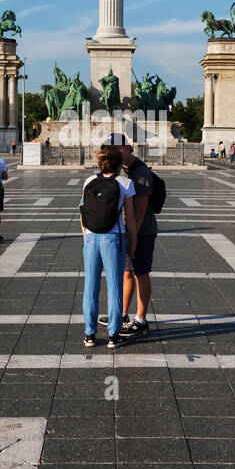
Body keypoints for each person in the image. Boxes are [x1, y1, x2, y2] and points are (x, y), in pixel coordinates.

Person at [80, 144, 136, 349]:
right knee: (114, 287)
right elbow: (129, 218)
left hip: (92, 238)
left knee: (90, 286)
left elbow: (82, 211)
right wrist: (133, 242)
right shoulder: (126, 183)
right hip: (114, 238)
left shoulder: (89, 181)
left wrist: (86, 236)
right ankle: (113, 334)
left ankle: (89, 334)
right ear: (119, 163)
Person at [106, 133, 159, 341]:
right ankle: (122, 313)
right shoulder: (126, 170)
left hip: (142, 231)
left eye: (118, 149)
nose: (115, 153)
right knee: (127, 272)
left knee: (141, 273)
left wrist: (133, 236)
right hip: (130, 231)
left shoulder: (140, 171)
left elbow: (140, 209)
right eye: (111, 150)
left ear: (127, 147)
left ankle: (141, 319)